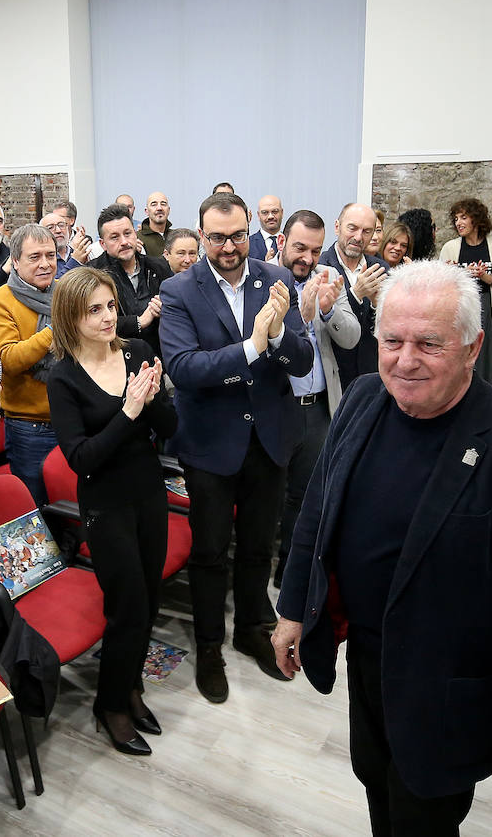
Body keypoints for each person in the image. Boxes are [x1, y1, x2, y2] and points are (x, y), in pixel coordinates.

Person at [272, 259, 492, 836]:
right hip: (367, 661)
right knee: (377, 785)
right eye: (392, 340)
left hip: (446, 686)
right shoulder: (364, 398)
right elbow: (318, 509)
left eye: (429, 344)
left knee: (425, 817)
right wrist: (293, 608)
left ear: (472, 346)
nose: (405, 360)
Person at [158, 191, 312, 702]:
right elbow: (184, 369)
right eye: (218, 236)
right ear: (202, 236)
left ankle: (251, 629)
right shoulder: (179, 289)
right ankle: (208, 647)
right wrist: (254, 345)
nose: (229, 245)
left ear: (251, 232)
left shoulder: (277, 278)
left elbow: (303, 358)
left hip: (269, 437)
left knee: (256, 546)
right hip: (210, 445)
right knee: (208, 552)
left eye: (238, 235)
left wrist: (280, 336)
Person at [47, 266, 177, 756]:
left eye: (109, 307)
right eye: (94, 310)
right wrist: (127, 413)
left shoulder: (138, 351)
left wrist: (154, 396)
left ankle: (131, 687)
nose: (107, 318)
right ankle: (111, 704)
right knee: (127, 607)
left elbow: (170, 426)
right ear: (71, 317)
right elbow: (81, 460)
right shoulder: (63, 378)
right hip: (105, 503)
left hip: (147, 491)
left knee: (150, 597)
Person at [273, 210, 359, 585]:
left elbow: (351, 337)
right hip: (277, 407)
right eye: (300, 248)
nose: (307, 258)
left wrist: (326, 310)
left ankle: (289, 570)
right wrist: (303, 317)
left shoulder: (328, 279)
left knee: (305, 497)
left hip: (319, 409)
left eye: (316, 249)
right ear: (281, 243)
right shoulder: (262, 279)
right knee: (272, 496)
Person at [0, 224, 59, 505]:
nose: (45, 264)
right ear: (14, 262)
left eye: (50, 255)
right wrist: (55, 331)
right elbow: (7, 361)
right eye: (34, 257)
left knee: (74, 505)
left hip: (72, 417)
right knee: (38, 509)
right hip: (31, 429)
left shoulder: (64, 292)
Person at [439, 198, 492, 390]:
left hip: (489, 311)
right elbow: (440, 286)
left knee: (489, 363)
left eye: (464, 217)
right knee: (460, 359)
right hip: (461, 311)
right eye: (456, 218)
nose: (458, 222)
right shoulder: (450, 248)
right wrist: (451, 274)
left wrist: (485, 276)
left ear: (476, 219)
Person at [320, 203, 388, 388]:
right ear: (337, 227)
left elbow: (388, 330)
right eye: (352, 228)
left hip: (371, 374)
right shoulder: (320, 267)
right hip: (334, 377)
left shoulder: (381, 269)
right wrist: (356, 294)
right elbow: (320, 325)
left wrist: (376, 305)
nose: (358, 237)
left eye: (367, 231)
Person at [90, 204, 171, 357]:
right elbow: (90, 321)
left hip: (159, 358)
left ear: (135, 234)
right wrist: (138, 322)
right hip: (113, 359)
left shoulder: (158, 267)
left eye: (127, 233)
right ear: (102, 244)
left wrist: (166, 307)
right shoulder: (92, 275)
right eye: (114, 237)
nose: (124, 242)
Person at [41, 211, 91, 279]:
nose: (58, 230)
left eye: (61, 225)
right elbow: (53, 286)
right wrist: (75, 262)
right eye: (51, 227)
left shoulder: (77, 252)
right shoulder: (42, 259)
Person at [248, 195, 285, 264]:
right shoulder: (248, 244)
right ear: (258, 215)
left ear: (282, 213)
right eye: (265, 212)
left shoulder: (289, 242)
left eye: (275, 211)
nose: (270, 216)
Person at [136, 191, 173, 259]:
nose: (159, 208)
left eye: (163, 204)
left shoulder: (176, 237)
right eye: (154, 204)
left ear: (169, 210)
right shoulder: (137, 238)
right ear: (146, 211)